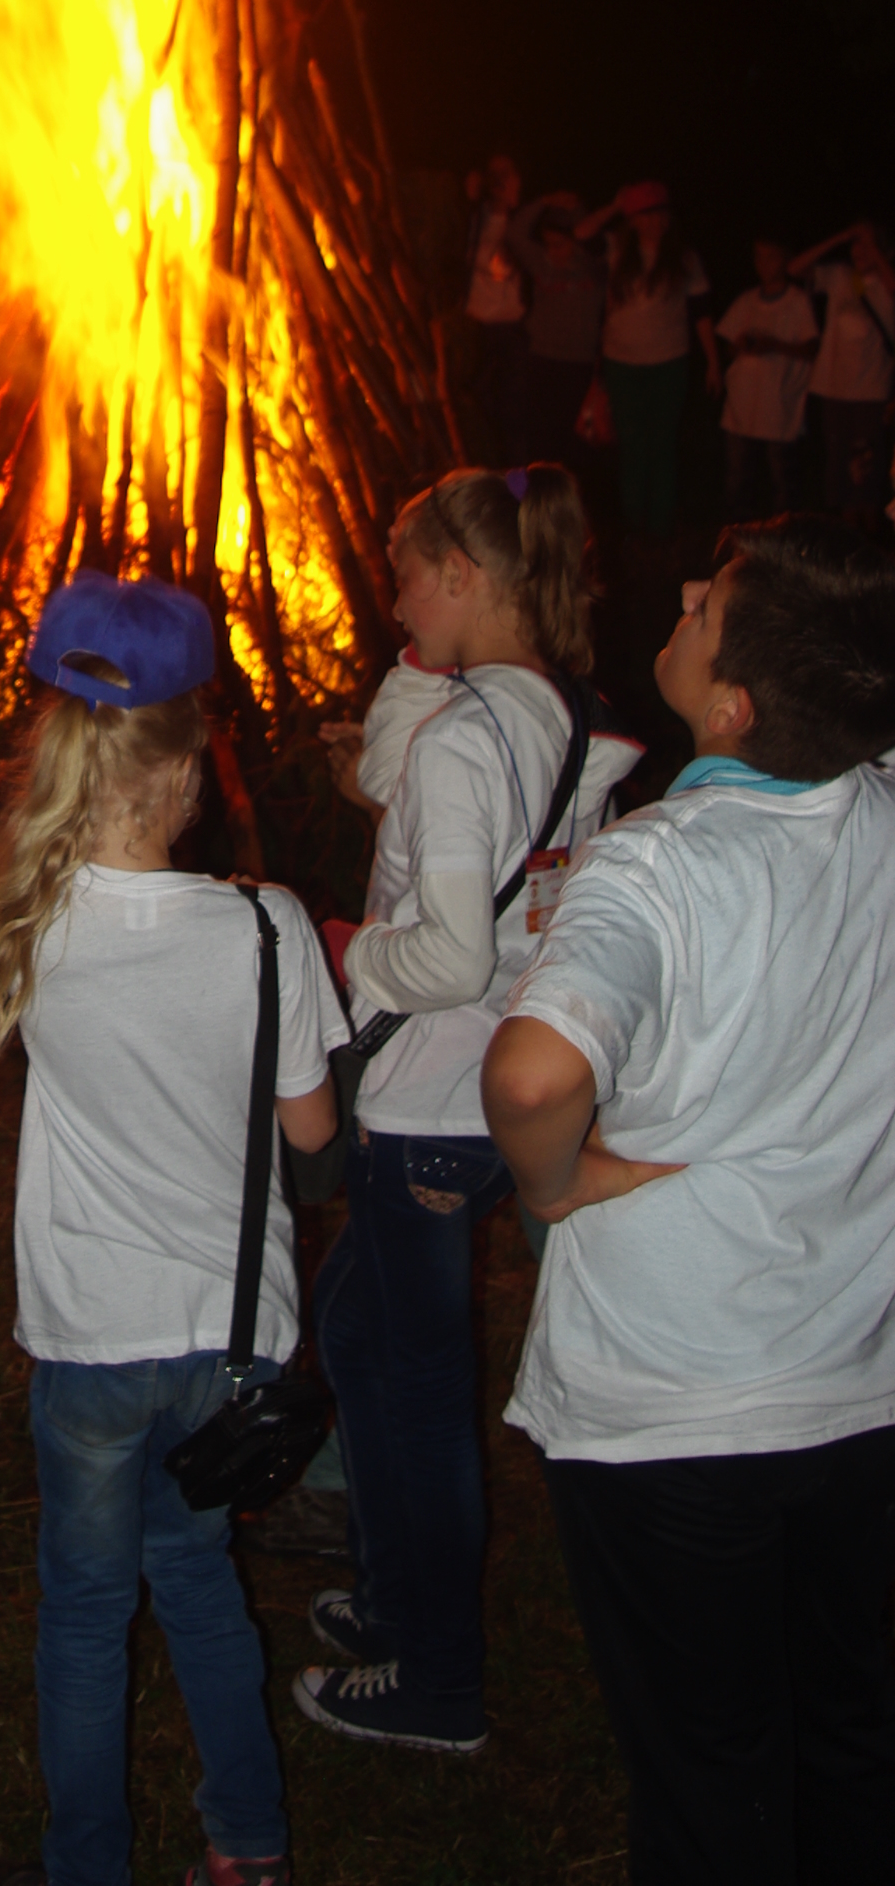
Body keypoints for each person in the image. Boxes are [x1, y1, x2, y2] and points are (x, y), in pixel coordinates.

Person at [483, 518, 895, 1885]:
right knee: (849, 1747)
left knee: (710, 1780)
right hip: (858, 1383)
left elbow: (536, 1076)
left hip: (669, 1411)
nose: (679, 596)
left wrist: (558, 1183)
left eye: (707, 605)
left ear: (731, 705)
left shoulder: (656, 867)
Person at [0, 570, 345, 1886]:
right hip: (231, 1343)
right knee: (202, 1583)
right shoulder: (269, 928)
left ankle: (88, 1865)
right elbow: (309, 1142)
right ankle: (251, 1844)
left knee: (84, 1616)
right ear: (195, 759)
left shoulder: (21, 926)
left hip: (90, 1339)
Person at [298, 466, 640, 1757]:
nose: (392, 600)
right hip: (497, 1082)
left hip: (430, 1099)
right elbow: (400, 778)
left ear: (466, 576)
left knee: (415, 1396)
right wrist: (414, 663)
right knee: (361, 1337)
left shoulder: (465, 745)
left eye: (406, 576)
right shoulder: (549, 707)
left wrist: (347, 950)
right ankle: (396, 1597)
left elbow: (440, 954)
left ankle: (434, 1671)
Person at [581, 181, 718, 538]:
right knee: (632, 444)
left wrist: (714, 362)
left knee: (662, 445)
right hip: (622, 362)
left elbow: (701, 311)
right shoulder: (616, 251)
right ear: (634, 220)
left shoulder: (685, 259)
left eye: (659, 214)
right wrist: (614, 205)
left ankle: (659, 527)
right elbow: (582, 233)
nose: (654, 222)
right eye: (645, 215)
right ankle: (631, 524)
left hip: (668, 361)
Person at [790, 218, 895, 524]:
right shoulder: (840, 277)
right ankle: (844, 522)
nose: (861, 251)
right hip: (833, 385)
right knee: (837, 456)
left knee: (865, 457)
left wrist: (873, 248)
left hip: (871, 388)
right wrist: (843, 235)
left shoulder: (885, 282)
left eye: (869, 244)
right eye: (857, 245)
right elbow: (795, 268)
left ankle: (870, 523)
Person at [714, 236, 818, 515]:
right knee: (738, 478)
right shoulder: (746, 301)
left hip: (779, 404)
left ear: (785, 259)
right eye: (759, 257)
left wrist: (774, 345)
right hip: (743, 404)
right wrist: (741, 345)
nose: (764, 264)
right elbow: (726, 347)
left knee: (783, 478)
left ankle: (783, 543)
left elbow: (811, 348)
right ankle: (737, 538)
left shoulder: (798, 301)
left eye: (771, 256)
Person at [506, 190, 605, 459]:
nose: (552, 251)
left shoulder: (591, 268)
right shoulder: (542, 263)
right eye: (547, 244)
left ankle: (572, 495)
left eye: (559, 244)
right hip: (541, 357)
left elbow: (588, 236)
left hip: (578, 362)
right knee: (540, 437)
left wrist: (575, 209)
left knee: (574, 440)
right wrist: (543, 202)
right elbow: (515, 233)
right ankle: (541, 495)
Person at [461, 155, 529, 463]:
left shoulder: (526, 224)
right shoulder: (475, 220)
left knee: (513, 415)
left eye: (510, 174)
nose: (505, 183)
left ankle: (514, 490)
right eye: (498, 176)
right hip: (478, 327)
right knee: (479, 409)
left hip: (512, 329)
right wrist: (470, 199)